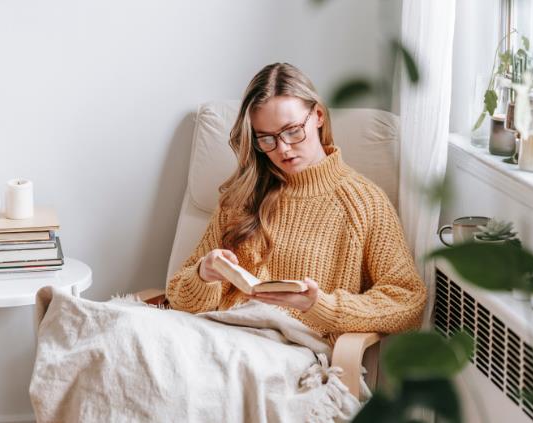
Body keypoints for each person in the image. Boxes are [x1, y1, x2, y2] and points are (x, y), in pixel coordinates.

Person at [166, 62, 427, 344]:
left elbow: (407, 302)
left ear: (317, 116)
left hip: (288, 352)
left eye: (292, 131)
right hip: (218, 337)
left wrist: (319, 306)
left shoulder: (365, 203)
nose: (283, 149)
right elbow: (179, 297)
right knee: (117, 326)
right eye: (266, 139)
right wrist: (204, 275)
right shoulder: (243, 197)